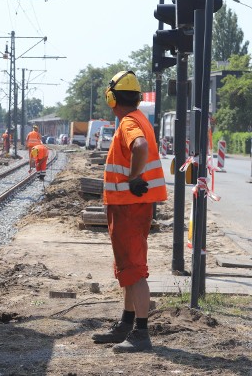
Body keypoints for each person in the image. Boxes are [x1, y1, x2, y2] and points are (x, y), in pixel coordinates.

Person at [92, 70, 167, 353]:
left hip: (129, 206)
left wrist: (135, 178)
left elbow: (140, 146)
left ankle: (141, 333)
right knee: (128, 267)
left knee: (135, 271)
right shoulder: (140, 119)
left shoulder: (128, 125)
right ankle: (126, 323)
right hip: (131, 207)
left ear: (112, 98)